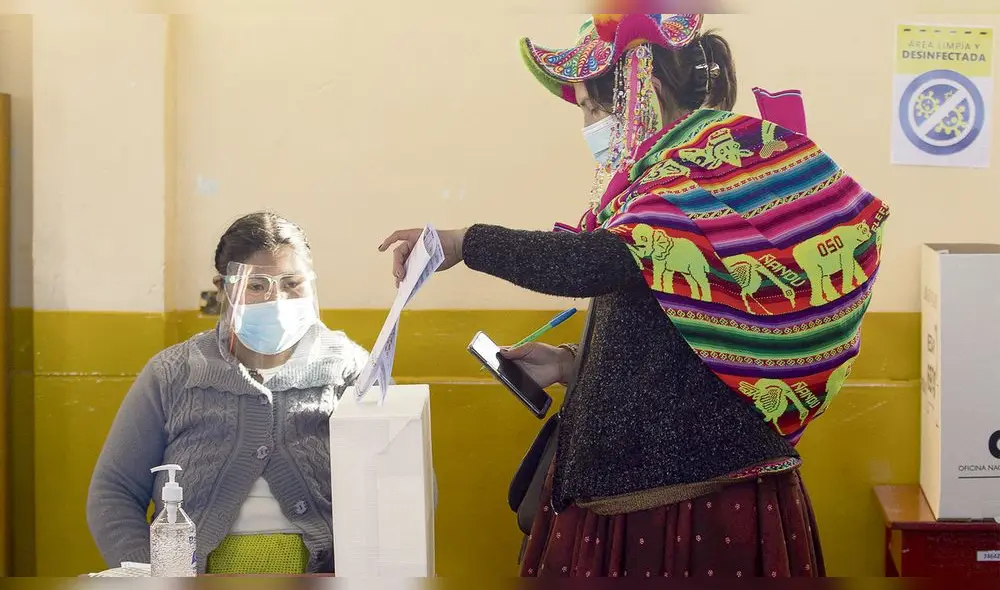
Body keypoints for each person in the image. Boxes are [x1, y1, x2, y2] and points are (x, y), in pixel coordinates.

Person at [381, 13, 889, 578]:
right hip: (666, 476)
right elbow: (677, 327)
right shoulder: (666, 178)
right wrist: (574, 366)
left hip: (688, 498)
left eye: (595, 109)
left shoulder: (699, 171)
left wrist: (463, 243)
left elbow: (594, 262)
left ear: (641, 90)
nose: (590, 125)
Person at [87, 211, 370, 575]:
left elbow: (397, 482)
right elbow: (114, 492)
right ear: (222, 288)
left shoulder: (351, 370)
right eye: (256, 285)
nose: (277, 299)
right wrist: (154, 577)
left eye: (292, 283)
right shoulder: (173, 374)